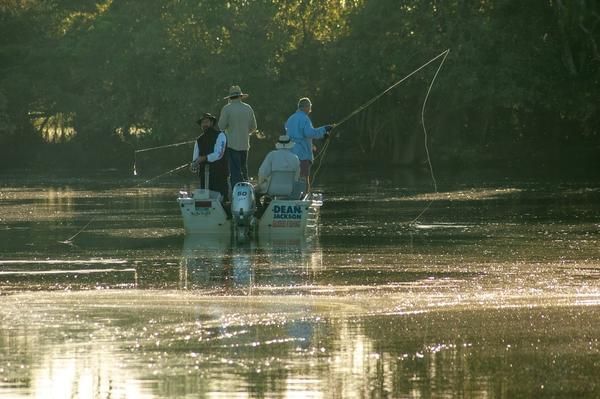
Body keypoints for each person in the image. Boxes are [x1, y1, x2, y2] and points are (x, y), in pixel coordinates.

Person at [284, 97, 334, 193]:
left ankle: (292, 196)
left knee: (294, 177)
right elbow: (309, 133)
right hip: (302, 154)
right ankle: (304, 198)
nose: (310, 109)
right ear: (305, 107)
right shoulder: (304, 118)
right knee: (304, 177)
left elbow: (293, 133)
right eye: (310, 106)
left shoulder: (291, 118)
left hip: (290, 153)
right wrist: (324, 129)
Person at [218, 85, 257, 191]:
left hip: (231, 144)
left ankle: (236, 193)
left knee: (235, 171)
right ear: (240, 96)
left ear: (230, 97)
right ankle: (245, 191)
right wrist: (245, 132)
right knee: (244, 170)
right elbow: (254, 127)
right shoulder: (248, 108)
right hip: (245, 144)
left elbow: (221, 126)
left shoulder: (227, 109)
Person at [190, 112, 229, 201]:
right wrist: (194, 165)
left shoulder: (221, 135)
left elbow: (218, 154)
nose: (204, 124)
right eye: (202, 123)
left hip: (219, 174)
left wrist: (204, 158)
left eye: (206, 122)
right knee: (205, 199)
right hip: (204, 175)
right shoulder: (199, 140)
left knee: (222, 199)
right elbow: (195, 159)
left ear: (211, 123)